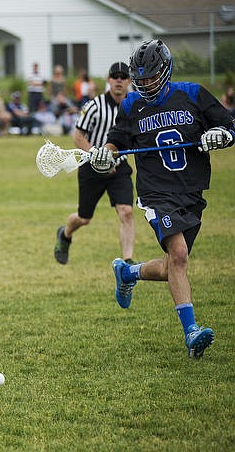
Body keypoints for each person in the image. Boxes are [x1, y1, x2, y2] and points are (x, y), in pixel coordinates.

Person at [88, 39, 235, 359]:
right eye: (139, 79)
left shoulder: (193, 95)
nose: (145, 84)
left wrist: (222, 135)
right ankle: (192, 332)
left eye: (150, 77)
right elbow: (115, 143)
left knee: (172, 266)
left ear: (165, 72)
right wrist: (105, 156)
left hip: (191, 191)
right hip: (156, 192)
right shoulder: (131, 106)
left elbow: (228, 125)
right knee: (180, 254)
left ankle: (127, 273)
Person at [54, 62, 135, 265]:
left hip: (119, 166)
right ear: (108, 80)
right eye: (114, 76)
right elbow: (78, 136)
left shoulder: (134, 107)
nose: (118, 80)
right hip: (91, 167)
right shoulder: (94, 106)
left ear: (129, 81)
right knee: (83, 218)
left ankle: (128, 262)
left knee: (126, 211)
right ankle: (65, 234)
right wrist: (96, 154)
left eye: (123, 77)